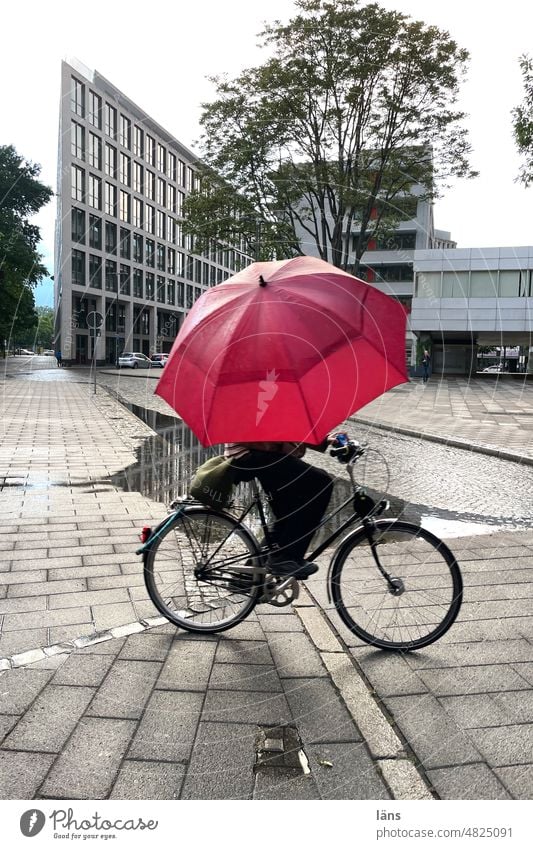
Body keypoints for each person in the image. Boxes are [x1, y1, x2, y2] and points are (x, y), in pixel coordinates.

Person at [226, 432, 347, 579]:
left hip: (254, 453)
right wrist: (321, 440)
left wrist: (324, 440)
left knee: (287, 515)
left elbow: (291, 427)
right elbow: (285, 429)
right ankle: (286, 558)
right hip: (252, 454)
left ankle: (245, 578)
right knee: (321, 482)